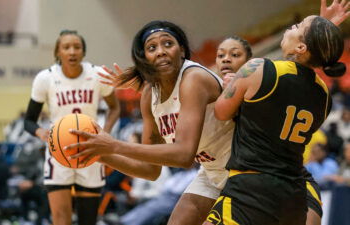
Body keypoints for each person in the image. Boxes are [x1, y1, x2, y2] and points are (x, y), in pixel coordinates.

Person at [65, 21, 235, 225]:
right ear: (145, 58)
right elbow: (150, 170)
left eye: (168, 44)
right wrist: (100, 154)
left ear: (181, 50)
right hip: (212, 172)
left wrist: (114, 145)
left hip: (244, 170)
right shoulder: (149, 95)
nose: (161, 52)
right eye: (152, 47)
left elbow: (183, 155)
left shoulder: (194, 79)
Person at [204, 13, 345, 225]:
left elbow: (221, 112)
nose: (290, 28)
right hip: (294, 196)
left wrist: (233, 88)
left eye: (297, 26)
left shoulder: (258, 68)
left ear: (301, 48)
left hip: (251, 189)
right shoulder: (324, 96)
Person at [24, 30, 120, 225]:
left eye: (77, 47)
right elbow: (29, 121)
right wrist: (42, 133)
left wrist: (105, 133)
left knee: (88, 220)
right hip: (58, 152)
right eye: (66, 47)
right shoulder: (45, 78)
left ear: (83, 52)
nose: (72, 51)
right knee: (60, 219)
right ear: (58, 52)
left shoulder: (97, 74)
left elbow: (115, 107)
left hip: (90, 149)